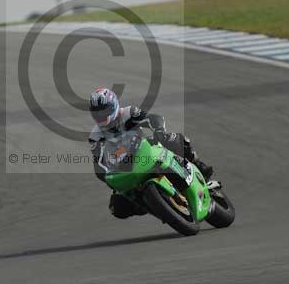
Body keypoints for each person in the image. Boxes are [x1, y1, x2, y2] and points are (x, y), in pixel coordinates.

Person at [88, 86, 214, 219]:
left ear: (113, 105)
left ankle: (198, 165)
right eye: (97, 113)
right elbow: (99, 162)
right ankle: (148, 204)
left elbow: (152, 118)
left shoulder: (128, 113)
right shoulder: (95, 136)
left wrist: (159, 131)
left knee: (173, 139)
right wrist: (107, 174)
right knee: (116, 207)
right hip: (124, 166)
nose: (101, 115)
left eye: (104, 111)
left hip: (144, 149)